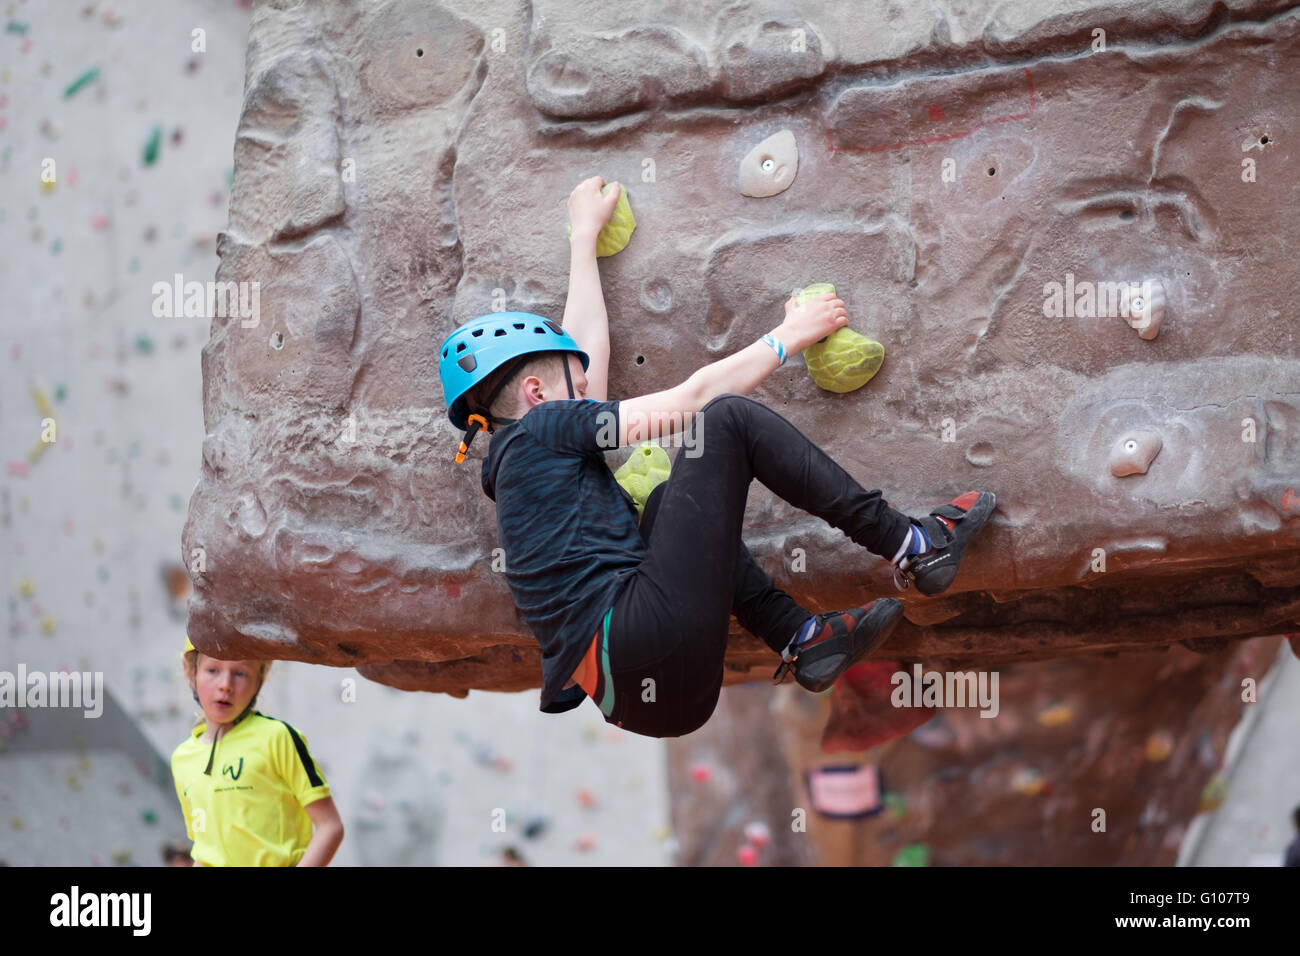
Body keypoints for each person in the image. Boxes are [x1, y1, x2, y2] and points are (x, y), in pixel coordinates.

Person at [437, 176, 996, 739]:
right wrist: (790, 335)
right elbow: (692, 403)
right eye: (576, 387)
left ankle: (804, 640)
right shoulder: (544, 428)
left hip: (648, 700)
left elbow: (585, 349)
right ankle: (916, 545)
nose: (589, 392)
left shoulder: (522, 460)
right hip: (638, 636)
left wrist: (584, 240)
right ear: (536, 394)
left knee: (661, 506)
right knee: (724, 420)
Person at [171, 637, 344, 866]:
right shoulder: (182, 759)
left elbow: (330, 827)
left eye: (240, 673)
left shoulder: (278, 738)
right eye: (213, 670)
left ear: (259, 680)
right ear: (191, 675)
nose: (225, 684)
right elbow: (204, 849)